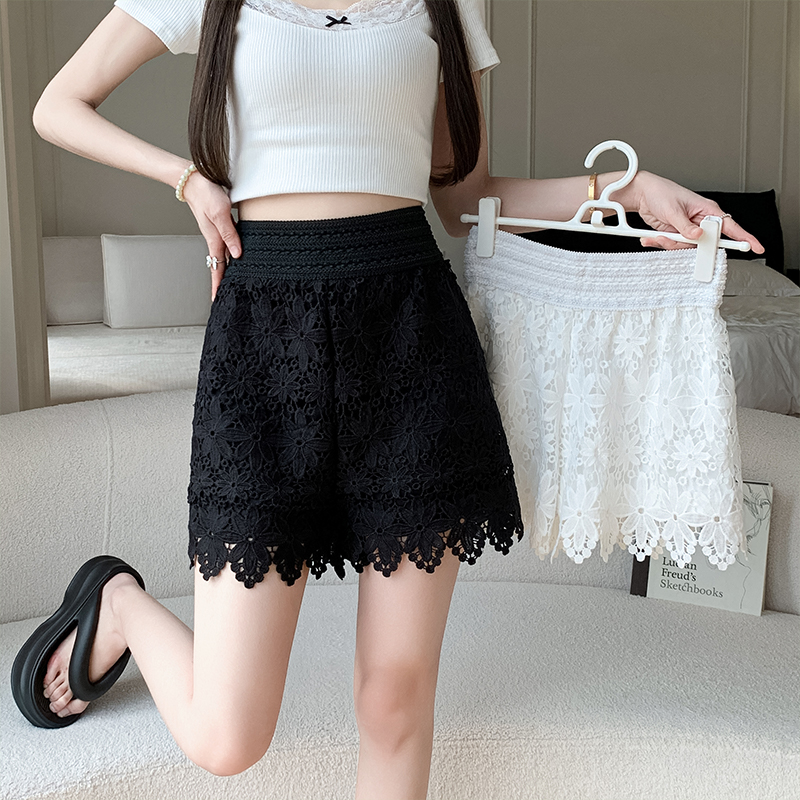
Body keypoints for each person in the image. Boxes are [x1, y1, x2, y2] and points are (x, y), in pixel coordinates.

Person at [13, 0, 764, 798]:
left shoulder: (445, 4)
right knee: (227, 738)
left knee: (394, 701)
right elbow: (58, 105)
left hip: (412, 341)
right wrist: (187, 179)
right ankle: (118, 602)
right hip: (264, 339)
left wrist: (629, 187)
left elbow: (466, 198)